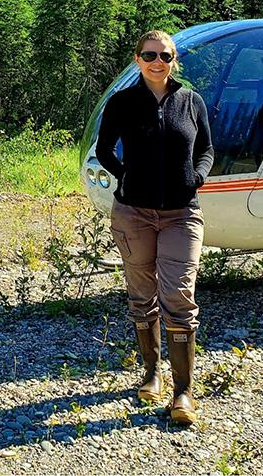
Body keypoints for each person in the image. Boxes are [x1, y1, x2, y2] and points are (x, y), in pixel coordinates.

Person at [96, 30, 214, 425]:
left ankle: (183, 392)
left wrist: (197, 177)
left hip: (182, 213)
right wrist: (125, 176)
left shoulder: (191, 102)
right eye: (149, 55)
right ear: (137, 59)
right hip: (134, 213)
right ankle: (151, 374)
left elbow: (207, 150)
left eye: (164, 55)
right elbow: (104, 149)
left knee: (179, 296)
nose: (157, 61)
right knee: (141, 293)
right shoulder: (122, 102)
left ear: (174, 59)